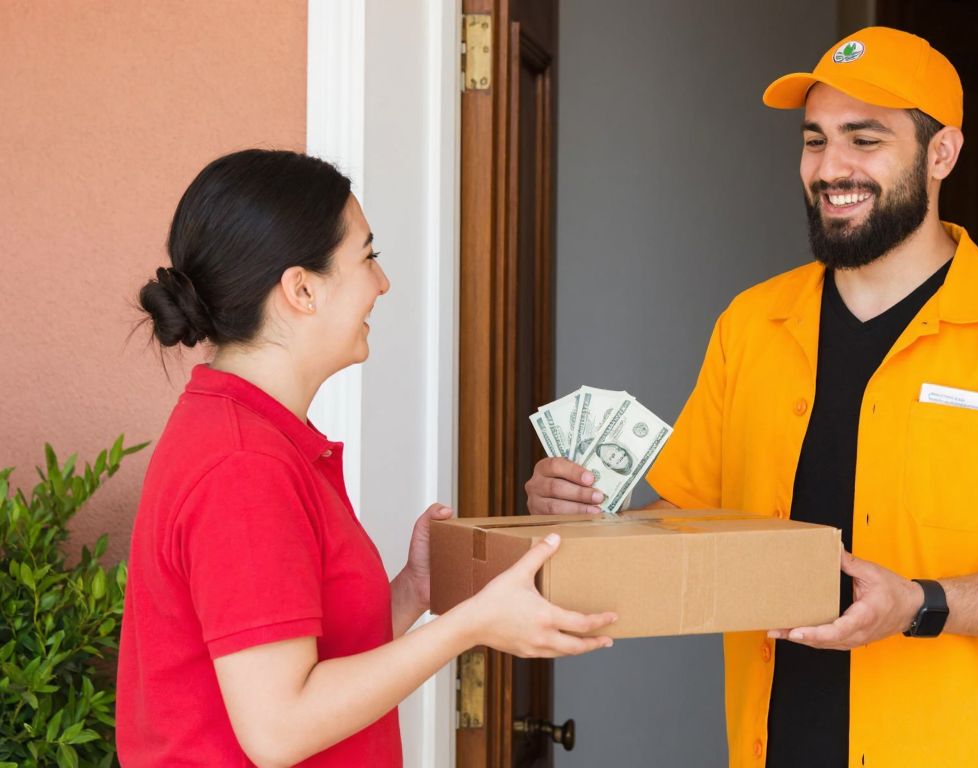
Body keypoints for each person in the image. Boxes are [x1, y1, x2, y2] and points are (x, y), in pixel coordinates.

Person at [525, 27, 978, 767]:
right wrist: (589, 517)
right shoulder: (751, 325)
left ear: (942, 154)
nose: (831, 168)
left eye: (865, 140)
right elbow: (685, 521)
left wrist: (920, 605)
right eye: (815, 140)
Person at [117, 149, 615, 767]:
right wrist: (470, 626)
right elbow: (279, 729)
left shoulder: (256, 435)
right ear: (302, 289)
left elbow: (303, 660)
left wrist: (411, 592)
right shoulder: (244, 465)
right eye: (368, 257)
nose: (382, 283)